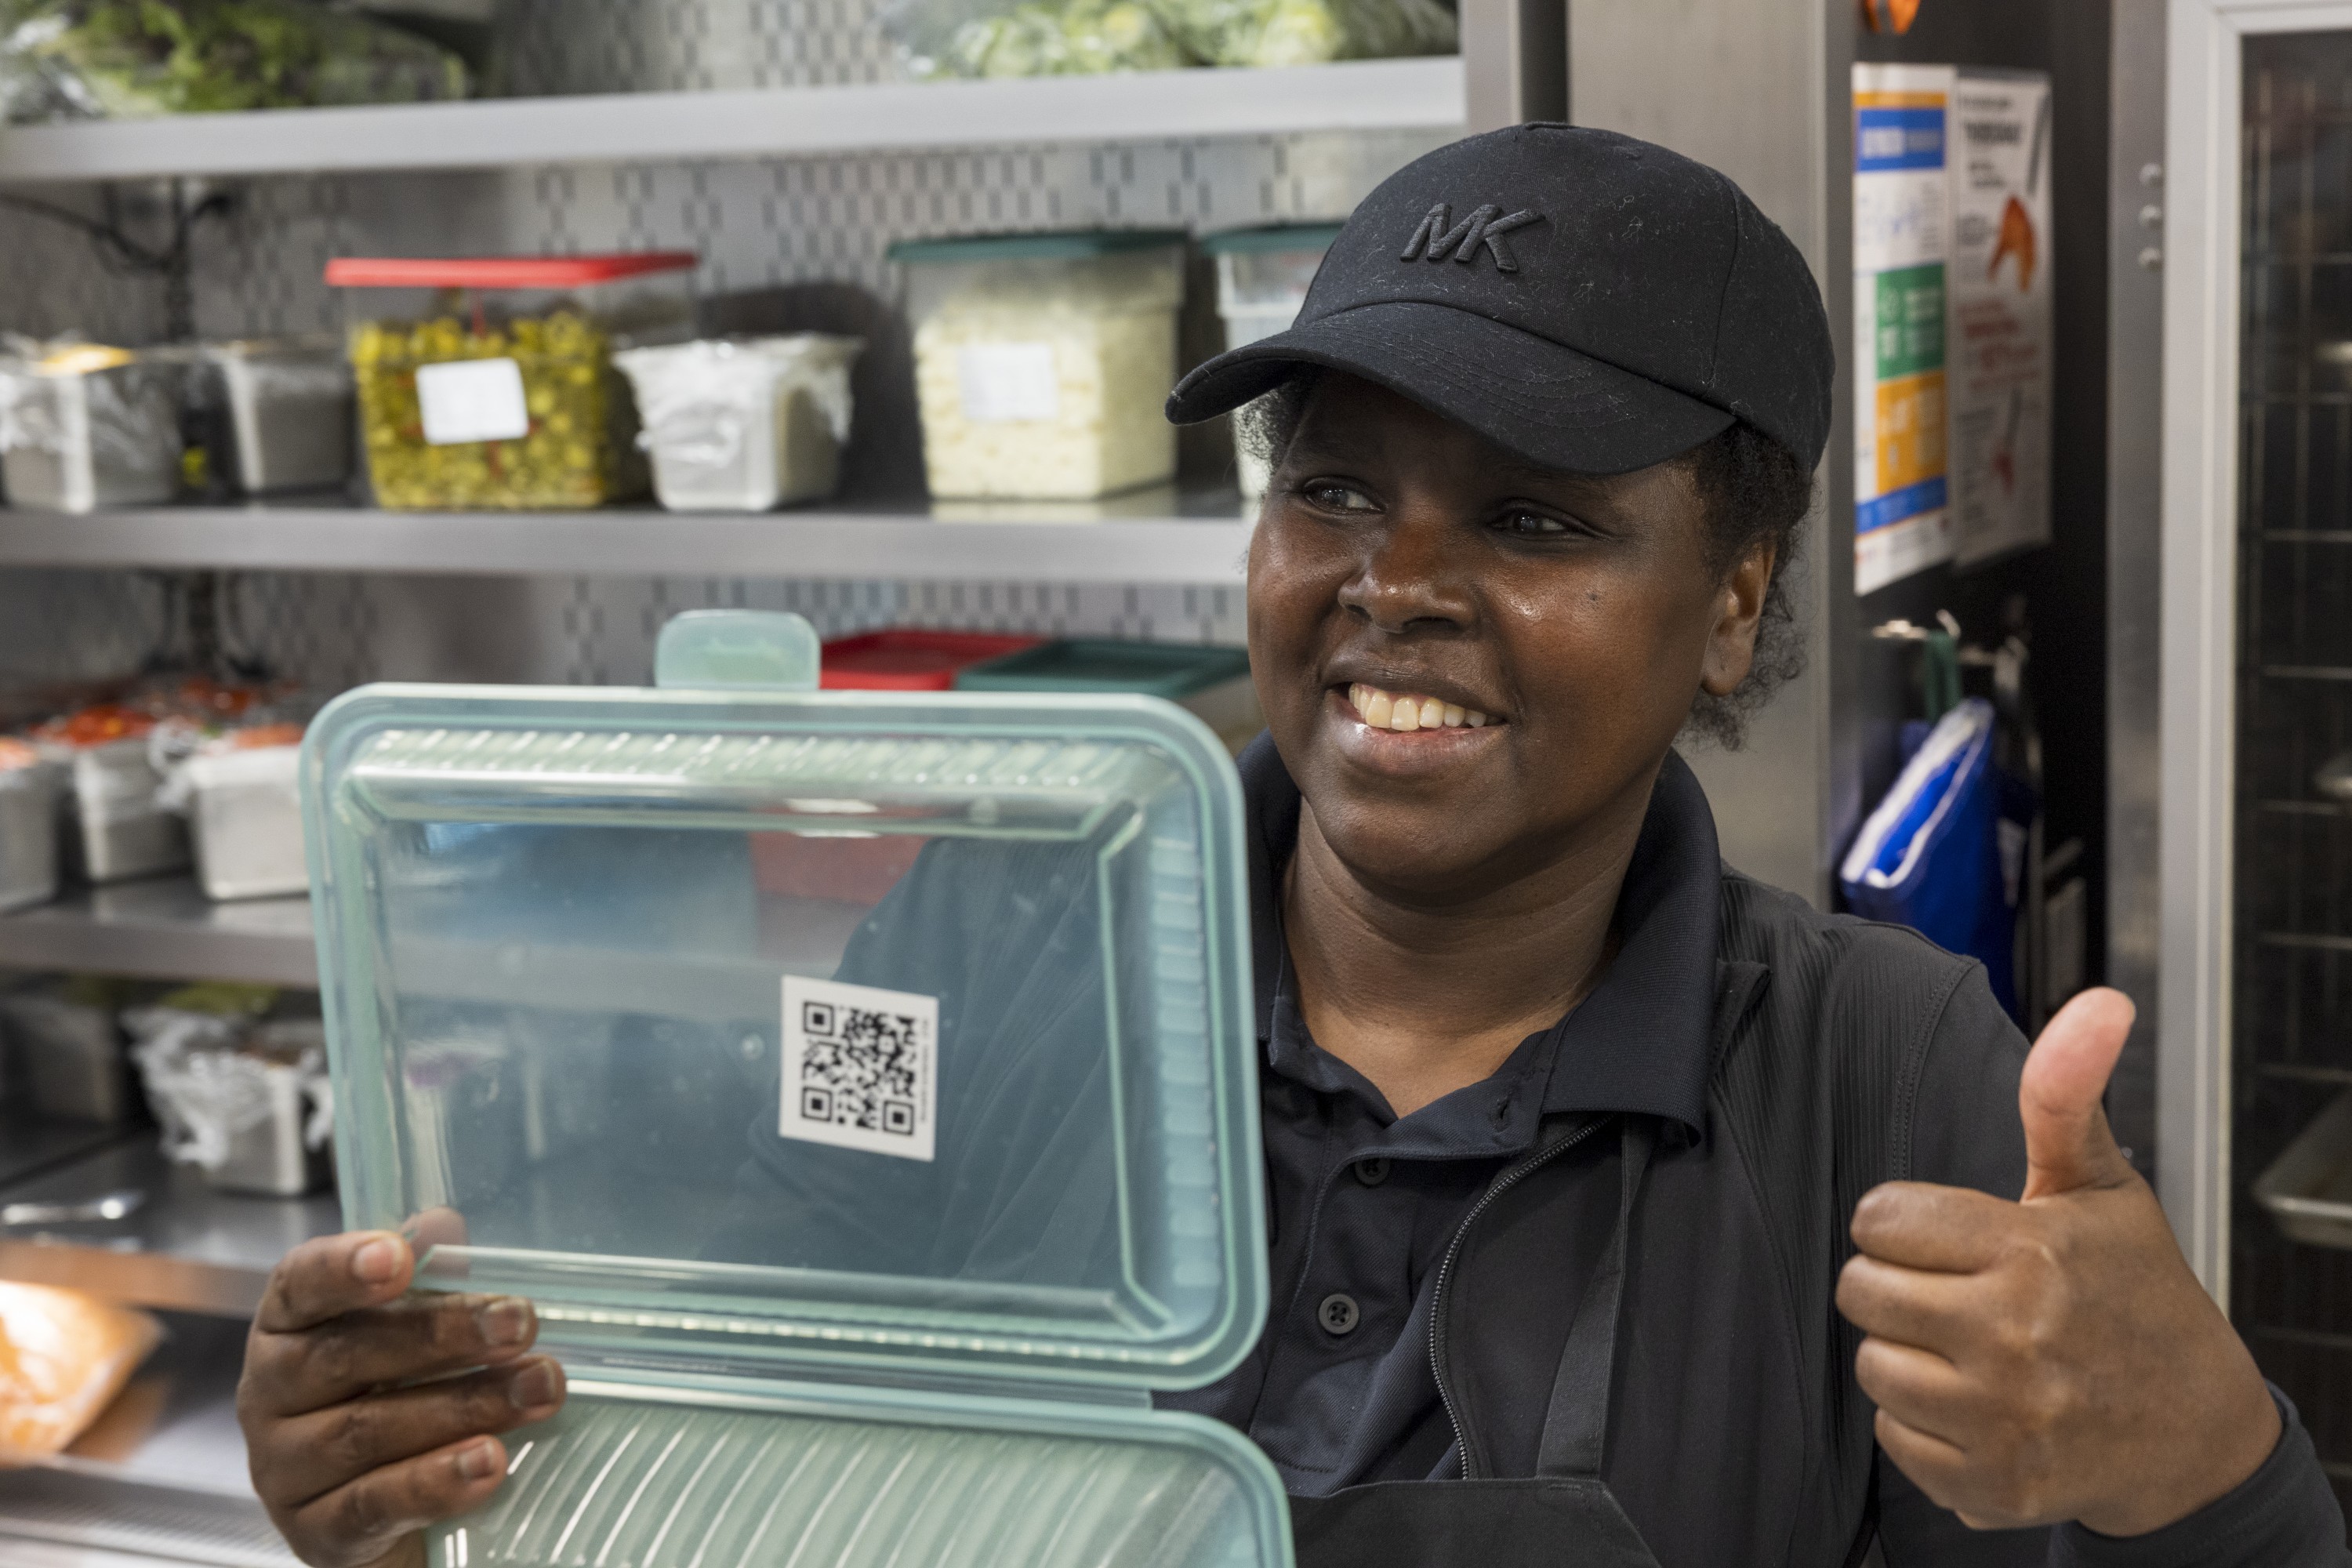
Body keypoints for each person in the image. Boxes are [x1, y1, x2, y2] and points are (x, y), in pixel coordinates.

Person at [236, 126, 2346, 1567]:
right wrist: (446, 1462)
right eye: (1331, 489)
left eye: (1535, 518)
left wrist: (2224, 1482)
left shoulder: (1894, 1081)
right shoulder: (982, 941)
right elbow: (784, 1395)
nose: (1391, 582)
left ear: (1729, 597)